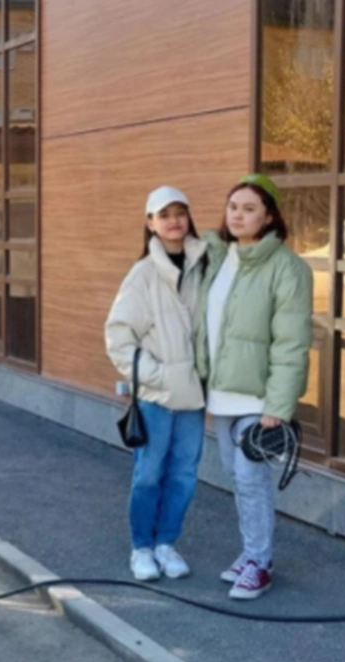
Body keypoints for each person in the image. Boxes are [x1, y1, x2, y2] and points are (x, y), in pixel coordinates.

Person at [195, 174, 313, 600]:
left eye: (249, 208)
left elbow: (292, 341)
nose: (238, 214)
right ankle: (252, 552)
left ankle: (260, 563)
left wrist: (278, 405)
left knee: (250, 478)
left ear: (268, 217)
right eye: (233, 207)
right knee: (236, 476)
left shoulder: (287, 268)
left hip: (258, 397)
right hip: (223, 392)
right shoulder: (218, 258)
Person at [105, 186, 208, 581]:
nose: (174, 221)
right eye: (164, 215)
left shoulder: (204, 265)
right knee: (148, 474)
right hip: (157, 397)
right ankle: (141, 548)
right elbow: (118, 337)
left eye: (180, 212)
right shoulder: (143, 274)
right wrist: (158, 377)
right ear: (150, 223)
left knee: (184, 473)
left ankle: (167, 543)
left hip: (194, 397)